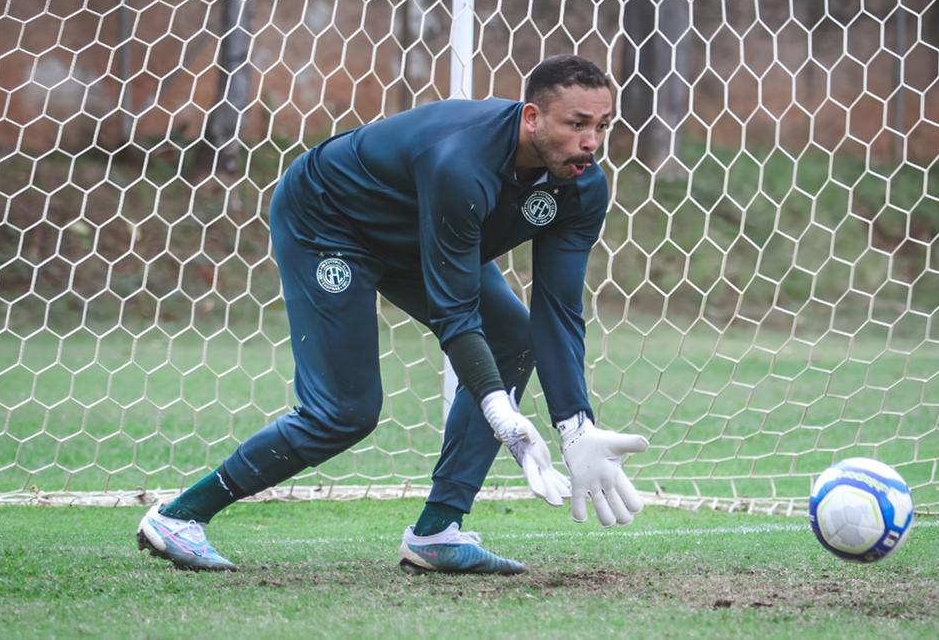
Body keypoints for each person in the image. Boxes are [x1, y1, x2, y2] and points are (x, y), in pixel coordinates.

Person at [136, 54, 648, 574]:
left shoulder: (582, 187)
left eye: (602, 126)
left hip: (421, 236)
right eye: (577, 124)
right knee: (344, 412)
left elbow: (557, 312)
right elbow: (455, 310)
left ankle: (438, 532)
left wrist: (575, 426)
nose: (591, 142)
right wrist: (500, 410)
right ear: (532, 117)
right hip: (331, 226)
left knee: (514, 338)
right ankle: (180, 517)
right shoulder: (460, 161)